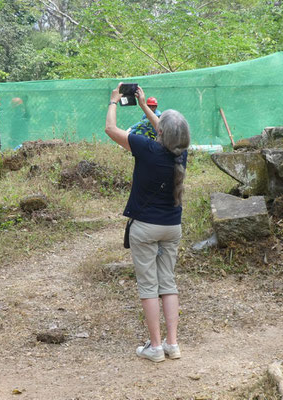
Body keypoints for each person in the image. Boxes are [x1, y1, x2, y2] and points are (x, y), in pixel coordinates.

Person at [104, 83, 190, 363]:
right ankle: (172, 344)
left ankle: (154, 346)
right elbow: (168, 133)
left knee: (148, 287)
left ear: (160, 132)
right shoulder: (181, 154)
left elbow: (111, 130)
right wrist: (143, 105)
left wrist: (114, 101)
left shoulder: (146, 147)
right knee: (169, 284)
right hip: (172, 227)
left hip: (145, 229)